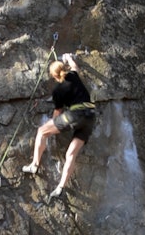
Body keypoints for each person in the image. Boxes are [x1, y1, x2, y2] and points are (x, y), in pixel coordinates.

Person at [22, 53, 96, 198]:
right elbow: (75, 67)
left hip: (76, 115)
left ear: (53, 76)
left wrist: (53, 125)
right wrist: (68, 58)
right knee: (71, 154)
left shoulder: (58, 90)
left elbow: (58, 112)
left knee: (42, 131)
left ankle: (34, 165)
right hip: (90, 117)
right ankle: (61, 187)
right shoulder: (73, 76)